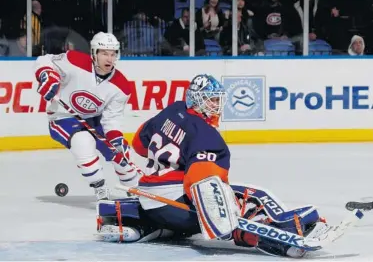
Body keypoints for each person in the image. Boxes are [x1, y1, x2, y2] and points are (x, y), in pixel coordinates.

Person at [95, 74, 329, 258]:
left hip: (150, 201)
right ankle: (284, 233)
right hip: (176, 207)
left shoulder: (171, 110)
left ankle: (147, 227)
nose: (217, 105)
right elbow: (199, 183)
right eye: (212, 99)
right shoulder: (207, 136)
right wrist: (230, 210)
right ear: (198, 100)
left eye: (218, 99)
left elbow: (139, 143)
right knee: (251, 195)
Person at [33, 32, 141, 201]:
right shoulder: (75, 61)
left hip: (95, 120)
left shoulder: (121, 86)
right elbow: (44, 60)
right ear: (94, 53)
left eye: (113, 54)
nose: (109, 59)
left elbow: (111, 119)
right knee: (82, 141)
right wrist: (47, 75)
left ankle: (137, 190)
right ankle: (100, 188)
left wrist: (116, 140)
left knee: (122, 154)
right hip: (63, 118)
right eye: (104, 53)